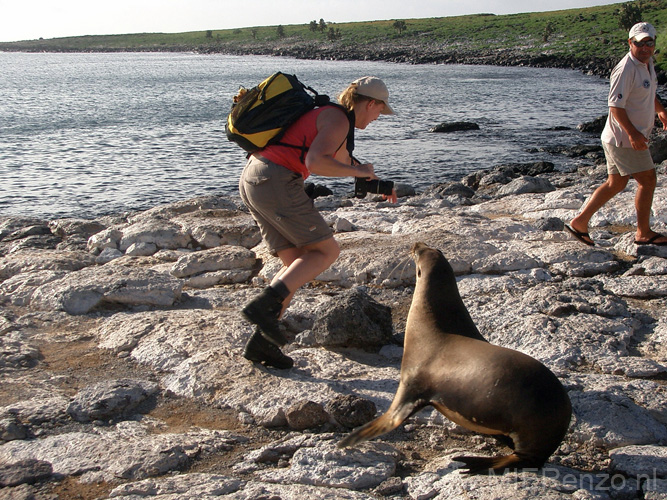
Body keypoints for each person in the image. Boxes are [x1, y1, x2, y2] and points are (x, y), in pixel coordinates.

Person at [238, 76, 397, 369]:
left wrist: (372, 181)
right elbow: (315, 162)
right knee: (326, 252)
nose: (378, 118)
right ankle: (262, 308)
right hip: (276, 180)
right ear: (370, 103)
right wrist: (359, 172)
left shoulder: (331, 118)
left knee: (296, 265)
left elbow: (339, 163)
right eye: (379, 111)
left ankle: (262, 343)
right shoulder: (338, 120)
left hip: (254, 178)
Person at [566, 22, 667, 247]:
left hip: (617, 137)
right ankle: (643, 232)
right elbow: (615, 106)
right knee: (648, 180)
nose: (645, 48)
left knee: (617, 183)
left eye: (649, 43)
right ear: (630, 43)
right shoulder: (626, 69)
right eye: (639, 43)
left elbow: (648, 92)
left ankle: (580, 223)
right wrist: (633, 134)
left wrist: (660, 110)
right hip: (624, 138)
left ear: (654, 43)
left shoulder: (646, 64)